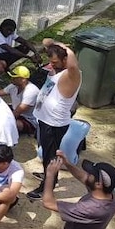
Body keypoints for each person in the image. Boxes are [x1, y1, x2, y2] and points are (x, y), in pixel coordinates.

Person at [28, 39, 81, 200]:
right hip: (45, 120)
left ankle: (46, 187)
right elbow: (45, 41)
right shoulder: (59, 70)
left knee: (51, 156)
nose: (52, 65)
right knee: (47, 154)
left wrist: (66, 47)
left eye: (55, 62)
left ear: (66, 59)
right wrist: (56, 46)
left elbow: (72, 64)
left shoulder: (72, 74)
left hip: (54, 123)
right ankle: (49, 175)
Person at [1, 66, 40, 135]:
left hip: (29, 120)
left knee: (12, 124)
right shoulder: (13, 86)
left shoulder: (31, 91)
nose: (12, 78)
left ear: (23, 79)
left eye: (15, 77)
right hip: (16, 112)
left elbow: (17, 112)